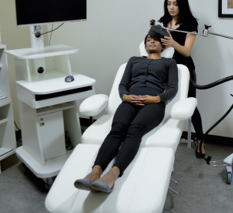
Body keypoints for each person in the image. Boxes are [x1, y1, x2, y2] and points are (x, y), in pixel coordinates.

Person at [74, 33, 178, 193]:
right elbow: (123, 84)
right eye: (148, 40)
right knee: (117, 130)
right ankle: (95, 172)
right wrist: (125, 96)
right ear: (144, 46)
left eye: (155, 40)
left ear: (162, 46)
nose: (151, 42)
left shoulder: (169, 62)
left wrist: (156, 99)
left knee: (134, 130)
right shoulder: (134, 60)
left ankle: (113, 174)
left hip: (154, 103)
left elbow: (172, 88)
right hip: (130, 100)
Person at [158, 0, 206, 158]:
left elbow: (186, 51)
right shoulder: (162, 21)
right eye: (169, 3)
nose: (171, 7)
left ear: (182, 5)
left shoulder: (191, 23)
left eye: (175, 4)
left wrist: (172, 42)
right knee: (163, 103)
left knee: (191, 105)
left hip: (185, 69)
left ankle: (200, 139)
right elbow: (156, 46)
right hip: (166, 69)